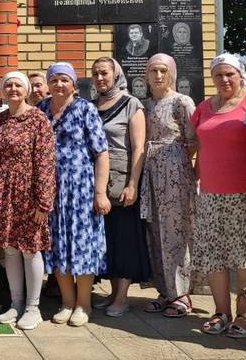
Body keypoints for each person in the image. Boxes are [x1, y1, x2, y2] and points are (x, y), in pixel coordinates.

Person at [191, 54, 246, 339]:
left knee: (245, 257)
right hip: (210, 194)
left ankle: (245, 313)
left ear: (239, 75)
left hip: (245, 193)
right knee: (214, 256)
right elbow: (198, 146)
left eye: (229, 74)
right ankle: (220, 311)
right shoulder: (203, 108)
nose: (224, 80)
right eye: (218, 75)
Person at [38, 63, 110, 327]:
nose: (59, 85)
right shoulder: (41, 110)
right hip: (51, 190)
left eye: (64, 80)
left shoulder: (85, 109)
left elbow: (101, 152)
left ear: (73, 84)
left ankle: (84, 304)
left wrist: (100, 193)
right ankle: (67, 302)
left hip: (80, 188)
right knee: (57, 245)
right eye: (54, 79)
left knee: (83, 244)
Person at [0, 71, 56, 330]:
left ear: (26, 90)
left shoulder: (38, 119)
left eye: (18, 85)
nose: (13, 89)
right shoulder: (0, 119)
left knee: (30, 248)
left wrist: (43, 202)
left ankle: (33, 308)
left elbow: (46, 162)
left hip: (28, 194)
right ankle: (16, 304)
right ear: (3, 90)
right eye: (8, 85)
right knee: (10, 249)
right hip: (3, 193)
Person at [90, 57, 149, 317]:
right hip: (96, 181)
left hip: (122, 181)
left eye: (105, 73)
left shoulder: (131, 104)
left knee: (124, 239)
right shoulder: (92, 106)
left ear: (116, 74)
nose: (100, 78)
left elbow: (138, 147)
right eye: (96, 74)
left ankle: (122, 297)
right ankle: (112, 292)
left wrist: (133, 184)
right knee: (108, 238)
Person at [141, 53, 197, 318]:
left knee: (176, 230)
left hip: (175, 171)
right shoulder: (146, 105)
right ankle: (164, 290)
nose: (158, 76)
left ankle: (182, 293)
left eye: (163, 70)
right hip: (150, 172)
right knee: (155, 230)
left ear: (172, 72)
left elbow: (194, 139)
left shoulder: (181, 102)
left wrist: (185, 169)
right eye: (153, 71)